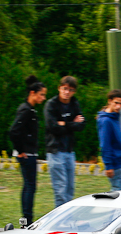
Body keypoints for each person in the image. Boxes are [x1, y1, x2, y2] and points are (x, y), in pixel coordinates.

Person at [9, 75, 47, 226]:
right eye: (41, 94)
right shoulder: (26, 110)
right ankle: (27, 220)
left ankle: (26, 220)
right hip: (27, 154)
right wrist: (20, 150)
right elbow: (13, 131)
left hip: (29, 153)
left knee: (29, 185)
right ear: (32, 93)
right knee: (30, 186)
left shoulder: (30, 109)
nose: (43, 98)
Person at [44, 76, 85, 207]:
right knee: (60, 188)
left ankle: (67, 215)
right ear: (59, 88)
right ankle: (60, 216)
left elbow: (81, 125)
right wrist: (72, 123)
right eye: (65, 88)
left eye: (70, 90)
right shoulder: (51, 104)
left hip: (69, 151)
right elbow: (53, 127)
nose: (67, 92)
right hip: (55, 150)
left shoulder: (74, 104)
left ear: (74, 91)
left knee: (70, 188)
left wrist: (64, 123)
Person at [97, 89, 121, 191]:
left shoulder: (115, 117)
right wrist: (109, 165)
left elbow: (118, 129)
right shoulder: (106, 120)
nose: (118, 106)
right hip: (115, 164)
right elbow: (105, 144)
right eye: (116, 103)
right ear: (109, 101)